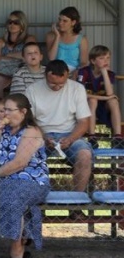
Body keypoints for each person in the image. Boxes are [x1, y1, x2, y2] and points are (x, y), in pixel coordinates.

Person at [0, 94, 50, 258]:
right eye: (4, 109)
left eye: (9, 110)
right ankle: (1, 243)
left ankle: (17, 251)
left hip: (31, 180)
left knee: (12, 199)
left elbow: (19, 163)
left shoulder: (32, 131)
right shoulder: (3, 130)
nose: (4, 114)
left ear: (23, 112)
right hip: (4, 179)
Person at [25, 60, 92, 193]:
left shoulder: (77, 89)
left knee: (85, 155)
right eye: (53, 83)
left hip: (69, 134)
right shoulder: (32, 90)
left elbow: (84, 122)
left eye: (62, 83)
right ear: (45, 75)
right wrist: (43, 137)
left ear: (67, 76)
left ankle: (78, 201)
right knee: (27, 155)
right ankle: (33, 198)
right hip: (41, 134)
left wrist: (70, 139)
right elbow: (29, 121)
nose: (57, 87)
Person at [76, 45, 122, 143]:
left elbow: (110, 94)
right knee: (93, 100)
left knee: (113, 101)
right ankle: (92, 136)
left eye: (108, 58)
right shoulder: (84, 72)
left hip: (103, 106)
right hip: (86, 105)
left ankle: (118, 136)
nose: (106, 61)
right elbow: (80, 94)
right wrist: (103, 98)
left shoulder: (110, 74)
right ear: (93, 61)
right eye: (101, 58)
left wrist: (104, 72)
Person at [0, 11, 36, 99]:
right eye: (10, 22)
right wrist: (18, 56)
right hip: (4, 71)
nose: (12, 24)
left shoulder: (29, 39)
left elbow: (29, 55)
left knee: (18, 77)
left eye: (16, 22)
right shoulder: (0, 41)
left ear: (22, 25)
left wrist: (8, 55)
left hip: (23, 70)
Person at [46, 6, 89, 74]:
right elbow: (51, 58)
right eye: (59, 20)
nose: (60, 23)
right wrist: (57, 36)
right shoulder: (51, 36)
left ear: (73, 22)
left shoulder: (81, 39)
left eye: (65, 21)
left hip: (74, 73)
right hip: (56, 72)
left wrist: (76, 72)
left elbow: (83, 62)